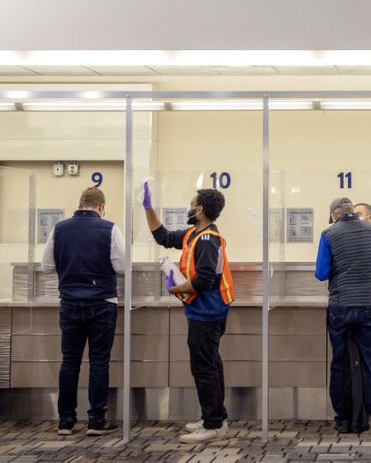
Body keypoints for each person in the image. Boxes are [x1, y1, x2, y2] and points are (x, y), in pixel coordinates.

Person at [143, 183, 235, 444]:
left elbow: (204, 280)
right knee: (211, 365)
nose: (189, 206)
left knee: (204, 367)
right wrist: (148, 208)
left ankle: (214, 424)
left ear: (200, 209)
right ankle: (215, 417)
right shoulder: (194, 234)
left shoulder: (207, 241)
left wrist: (175, 288)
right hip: (203, 311)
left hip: (208, 313)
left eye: (192, 203)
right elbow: (162, 236)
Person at [42, 187, 125, 436]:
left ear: (79, 204)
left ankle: (66, 421)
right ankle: (96, 421)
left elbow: (46, 266)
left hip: (69, 303)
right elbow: (121, 266)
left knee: (70, 361)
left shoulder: (59, 228)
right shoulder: (109, 228)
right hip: (102, 302)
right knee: (99, 361)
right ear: (101, 207)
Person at [316, 197, 371, 433]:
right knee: (366, 363)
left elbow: (321, 272)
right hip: (369, 305)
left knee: (339, 362)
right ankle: (363, 417)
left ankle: (343, 418)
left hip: (341, 307)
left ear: (334, 215)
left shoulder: (329, 234)